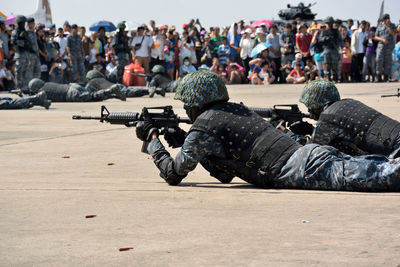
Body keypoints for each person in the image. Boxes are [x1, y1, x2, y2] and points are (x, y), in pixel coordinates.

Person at [135, 70, 400, 192]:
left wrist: (153, 140)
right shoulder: (237, 110)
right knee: (380, 165)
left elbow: (172, 173)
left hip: (302, 167)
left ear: (196, 101)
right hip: (309, 156)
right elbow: (225, 173)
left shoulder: (203, 125)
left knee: (387, 176)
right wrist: (187, 142)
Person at [299, 80, 400, 158]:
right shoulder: (350, 102)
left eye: (309, 106)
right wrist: (312, 130)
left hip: (395, 150)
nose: (309, 110)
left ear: (316, 102)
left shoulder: (327, 117)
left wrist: (290, 135)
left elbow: (310, 151)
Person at [27, 77, 126, 102]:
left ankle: (111, 91)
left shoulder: (42, 92)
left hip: (70, 94)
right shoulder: (47, 84)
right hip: (72, 86)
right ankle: (114, 95)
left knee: (92, 96)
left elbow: (37, 99)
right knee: (93, 96)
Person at [85, 69, 164, 98]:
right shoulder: (101, 79)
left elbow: (87, 92)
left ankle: (149, 90)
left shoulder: (92, 82)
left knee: (131, 92)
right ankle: (155, 90)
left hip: (116, 88)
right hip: (117, 86)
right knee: (132, 91)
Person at [10, 15, 30, 90]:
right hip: (19, 53)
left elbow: (29, 43)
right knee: (18, 71)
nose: (24, 24)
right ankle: (18, 86)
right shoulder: (15, 32)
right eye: (22, 23)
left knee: (25, 70)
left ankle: (24, 86)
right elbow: (13, 42)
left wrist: (25, 41)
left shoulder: (25, 32)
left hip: (26, 54)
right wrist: (22, 41)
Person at [375, 14, 396, 82]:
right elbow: (375, 37)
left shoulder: (392, 25)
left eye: (388, 18)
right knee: (379, 60)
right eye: (386, 19)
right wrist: (382, 40)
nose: (388, 20)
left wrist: (388, 26)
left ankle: (386, 77)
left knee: (388, 62)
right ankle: (378, 76)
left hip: (389, 47)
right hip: (380, 46)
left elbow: (393, 34)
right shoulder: (379, 26)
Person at [319, 17, 341, 82]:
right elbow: (320, 39)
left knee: (335, 65)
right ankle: (328, 78)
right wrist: (326, 38)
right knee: (328, 65)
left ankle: (335, 78)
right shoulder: (324, 31)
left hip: (334, 49)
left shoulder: (336, 31)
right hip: (327, 49)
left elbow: (340, 40)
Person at [25, 18, 41, 83]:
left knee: (37, 71)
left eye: (34, 23)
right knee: (29, 72)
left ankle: (36, 85)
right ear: (28, 24)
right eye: (32, 23)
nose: (33, 24)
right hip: (29, 56)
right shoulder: (26, 33)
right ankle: (29, 86)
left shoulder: (34, 33)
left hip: (36, 56)